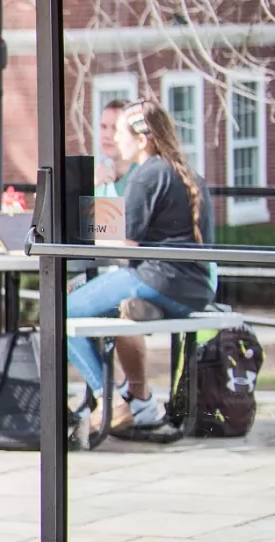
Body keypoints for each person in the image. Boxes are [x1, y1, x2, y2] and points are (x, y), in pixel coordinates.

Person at [67, 101, 213, 432]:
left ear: (142, 139)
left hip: (157, 278)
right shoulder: (183, 172)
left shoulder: (146, 175)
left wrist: (77, 224)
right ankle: (134, 394)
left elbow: (124, 244)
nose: (115, 139)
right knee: (106, 304)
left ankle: (110, 400)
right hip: (193, 289)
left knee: (61, 310)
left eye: (120, 131)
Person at [95, 99, 137, 197]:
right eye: (103, 127)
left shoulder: (145, 176)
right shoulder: (98, 175)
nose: (107, 135)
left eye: (116, 128)